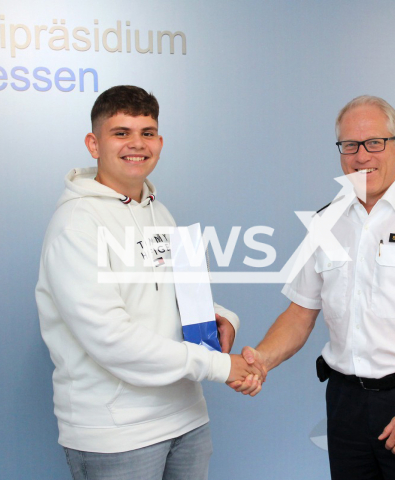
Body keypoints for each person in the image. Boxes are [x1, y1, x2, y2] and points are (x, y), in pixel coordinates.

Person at [235, 95, 395, 479]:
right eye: (349, 145)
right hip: (345, 404)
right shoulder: (326, 221)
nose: (361, 155)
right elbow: (300, 314)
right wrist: (261, 361)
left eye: (374, 143)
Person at [35, 85, 262, 480]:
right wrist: (218, 365)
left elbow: (170, 297)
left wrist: (217, 317)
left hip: (186, 418)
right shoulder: (76, 225)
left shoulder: (159, 210)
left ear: (160, 141)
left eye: (147, 132)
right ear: (94, 143)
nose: (136, 144)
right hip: (118, 432)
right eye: (121, 133)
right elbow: (111, 338)